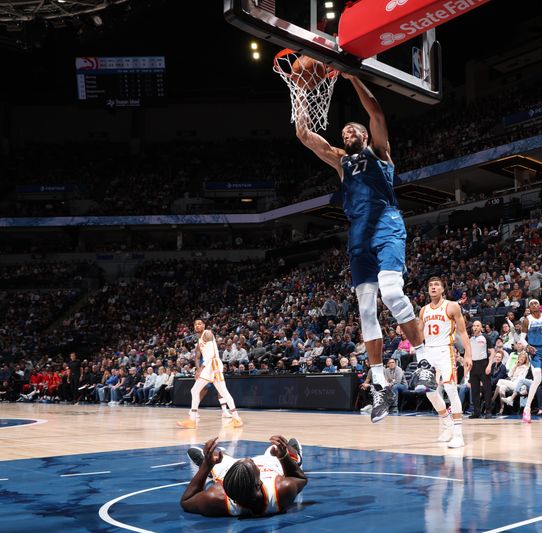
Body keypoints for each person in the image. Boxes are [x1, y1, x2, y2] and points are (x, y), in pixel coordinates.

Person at [295, 72, 427, 423]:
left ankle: (424, 360)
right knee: (367, 311)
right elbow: (305, 137)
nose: (346, 134)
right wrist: (300, 95)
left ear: (365, 135)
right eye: (343, 133)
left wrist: (352, 75)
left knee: (392, 294)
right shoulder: (341, 161)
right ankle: (381, 388)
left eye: (351, 131)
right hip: (358, 238)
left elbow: (377, 111)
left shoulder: (380, 152)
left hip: (386, 227)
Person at [181, 435, 306, 517]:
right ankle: (296, 457)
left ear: (224, 486)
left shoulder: (216, 497)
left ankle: (209, 466)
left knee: (217, 458)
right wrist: (283, 456)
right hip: (269, 467)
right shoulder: (281, 489)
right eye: (251, 461)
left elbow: (186, 501)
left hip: (234, 471)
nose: (248, 458)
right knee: (275, 448)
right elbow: (300, 479)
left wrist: (207, 465)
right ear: (259, 484)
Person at [418, 277, 473, 448]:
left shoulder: (452, 306)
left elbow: (463, 333)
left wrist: (468, 355)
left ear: (443, 289)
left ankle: (458, 435)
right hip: (428, 352)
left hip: (445, 350)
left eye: (436, 285)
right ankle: (447, 423)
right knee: (429, 391)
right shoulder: (423, 310)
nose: (433, 287)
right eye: (430, 285)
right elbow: (420, 335)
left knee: (450, 389)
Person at [177, 319, 242, 429]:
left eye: (200, 324)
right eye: (195, 324)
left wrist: (200, 369)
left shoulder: (207, 333)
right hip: (208, 366)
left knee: (224, 392)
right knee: (195, 390)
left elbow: (211, 354)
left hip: (213, 364)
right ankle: (192, 420)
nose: (197, 325)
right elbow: (198, 356)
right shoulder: (200, 339)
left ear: (204, 325)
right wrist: (200, 368)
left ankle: (236, 418)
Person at [467, 320, 490, 418]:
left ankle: (488, 411)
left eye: (477, 325)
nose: (475, 327)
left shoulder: (485, 337)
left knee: (487, 389)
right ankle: (476, 412)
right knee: (474, 390)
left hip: (484, 364)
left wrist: (489, 365)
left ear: (481, 327)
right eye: (474, 326)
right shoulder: (470, 339)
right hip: (473, 365)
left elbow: (492, 352)